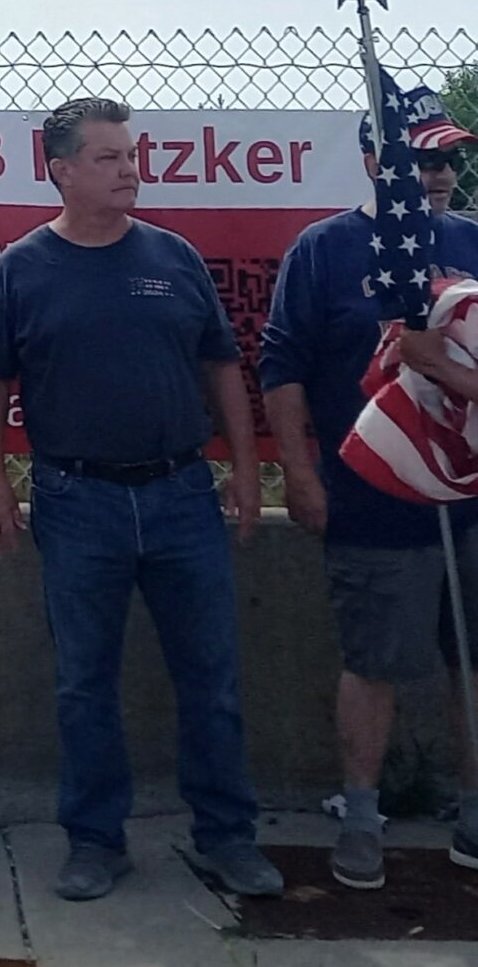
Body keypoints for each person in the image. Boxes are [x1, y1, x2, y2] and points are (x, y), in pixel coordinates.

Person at [0, 96, 282, 903]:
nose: (129, 168)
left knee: (211, 675)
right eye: (107, 157)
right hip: (78, 502)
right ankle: (96, 840)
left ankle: (226, 837)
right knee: (84, 683)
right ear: (61, 170)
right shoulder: (23, 267)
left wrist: (245, 469)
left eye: (131, 154)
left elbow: (221, 368)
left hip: (182, 494)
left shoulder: (174, 257)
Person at [261, 86, 478, 888]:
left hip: (472, 495)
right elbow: (281, 368)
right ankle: (360, 812)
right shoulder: (324, 250)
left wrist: (439, 364)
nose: (441, 173)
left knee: (475, 659)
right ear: (375, 161)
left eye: (450, 156)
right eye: (423, 158)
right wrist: (300, 471)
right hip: (372, 492)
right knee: (373, 659)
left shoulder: (474, 242)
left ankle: (474, 808)